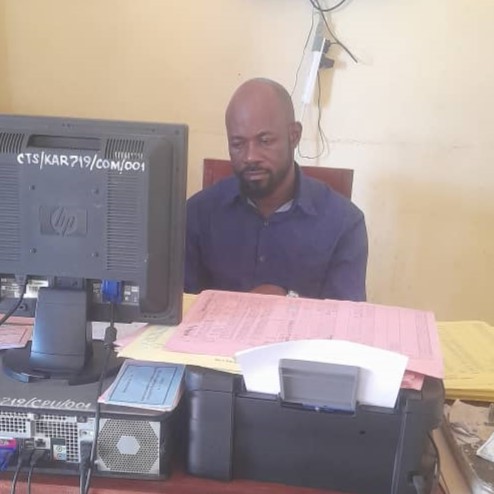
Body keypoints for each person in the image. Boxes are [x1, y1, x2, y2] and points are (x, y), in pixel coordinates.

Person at [185, 78, 368, 301]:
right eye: (238, 144)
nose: (250, 156)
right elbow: (180, 306)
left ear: (294, 136)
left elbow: (346, 316)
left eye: (264, 141)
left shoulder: (344, 223)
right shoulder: (197, 214)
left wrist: (288, 300)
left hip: (304, 325)